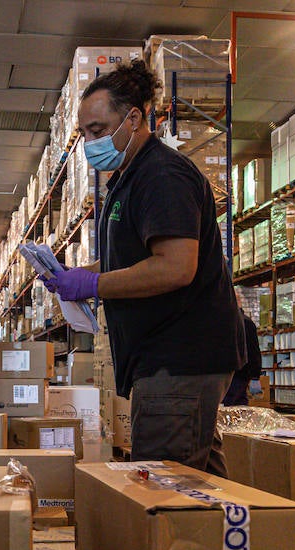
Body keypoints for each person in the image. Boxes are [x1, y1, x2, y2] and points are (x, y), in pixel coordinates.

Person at [44, 59, 244, 474]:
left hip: (178, 361)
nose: (89, 143)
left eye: (97, 131)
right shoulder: (130, 178)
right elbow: (132, 258)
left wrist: (94, 284)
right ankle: (232, 540)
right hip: (170, 363)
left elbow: (175, 267)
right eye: (84, 134)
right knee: (202, 483)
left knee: (162, 490)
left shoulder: (161, 176)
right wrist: (78, 277)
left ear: (133, 118)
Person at [223, 315, 264, 406]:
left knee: (229, 406)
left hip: (233, 373)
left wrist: (255, 376)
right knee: (239, 405)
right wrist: (255, 376)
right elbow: (254, 351)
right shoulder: (246, 322)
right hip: (240, 373)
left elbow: (253, 350)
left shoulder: (237, 321)